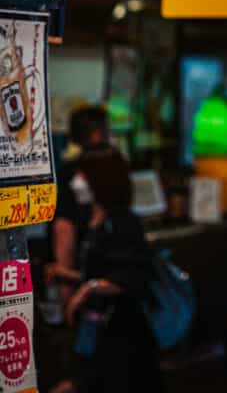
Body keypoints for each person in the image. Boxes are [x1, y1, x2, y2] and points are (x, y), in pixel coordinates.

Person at [48, 149, 160, 393]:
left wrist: (87, 290)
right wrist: (65, 274)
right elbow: (102, 270)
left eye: (81, 176)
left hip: (123, 337)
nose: (76, 183)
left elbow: (132, 276)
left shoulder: (123, 222)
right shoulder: (93, 220)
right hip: (100, 333)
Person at [52, 107, 114, 302]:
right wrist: (66, 290)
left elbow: (64, 226)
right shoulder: (103, 168)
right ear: (97, 134)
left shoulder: (73, 169)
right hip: (94, 273)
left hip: (92, 274)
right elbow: (64, 228)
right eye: (106, 129)